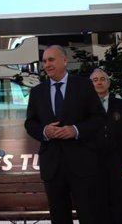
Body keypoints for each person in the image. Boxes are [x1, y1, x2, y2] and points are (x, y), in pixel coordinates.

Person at [24, 45, 105, 224]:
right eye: (44, 61)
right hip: (52, 166)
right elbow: (30, 123)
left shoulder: (83, 85)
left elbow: (99, 118)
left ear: (65, 61)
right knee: (59, 217)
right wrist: (45, 131)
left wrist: (75, 130)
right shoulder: (37, 92)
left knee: (89, 215)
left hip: (82, 163)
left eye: (51, 60)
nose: (47, 64)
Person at [90, 68, 122, 224]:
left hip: (119, 164)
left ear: (108, 83)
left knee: (120, 205)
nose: (99, 82)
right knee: (98, 206)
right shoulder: (84, 107)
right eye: (95, 80)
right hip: (95, 165)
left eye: (102, 79)